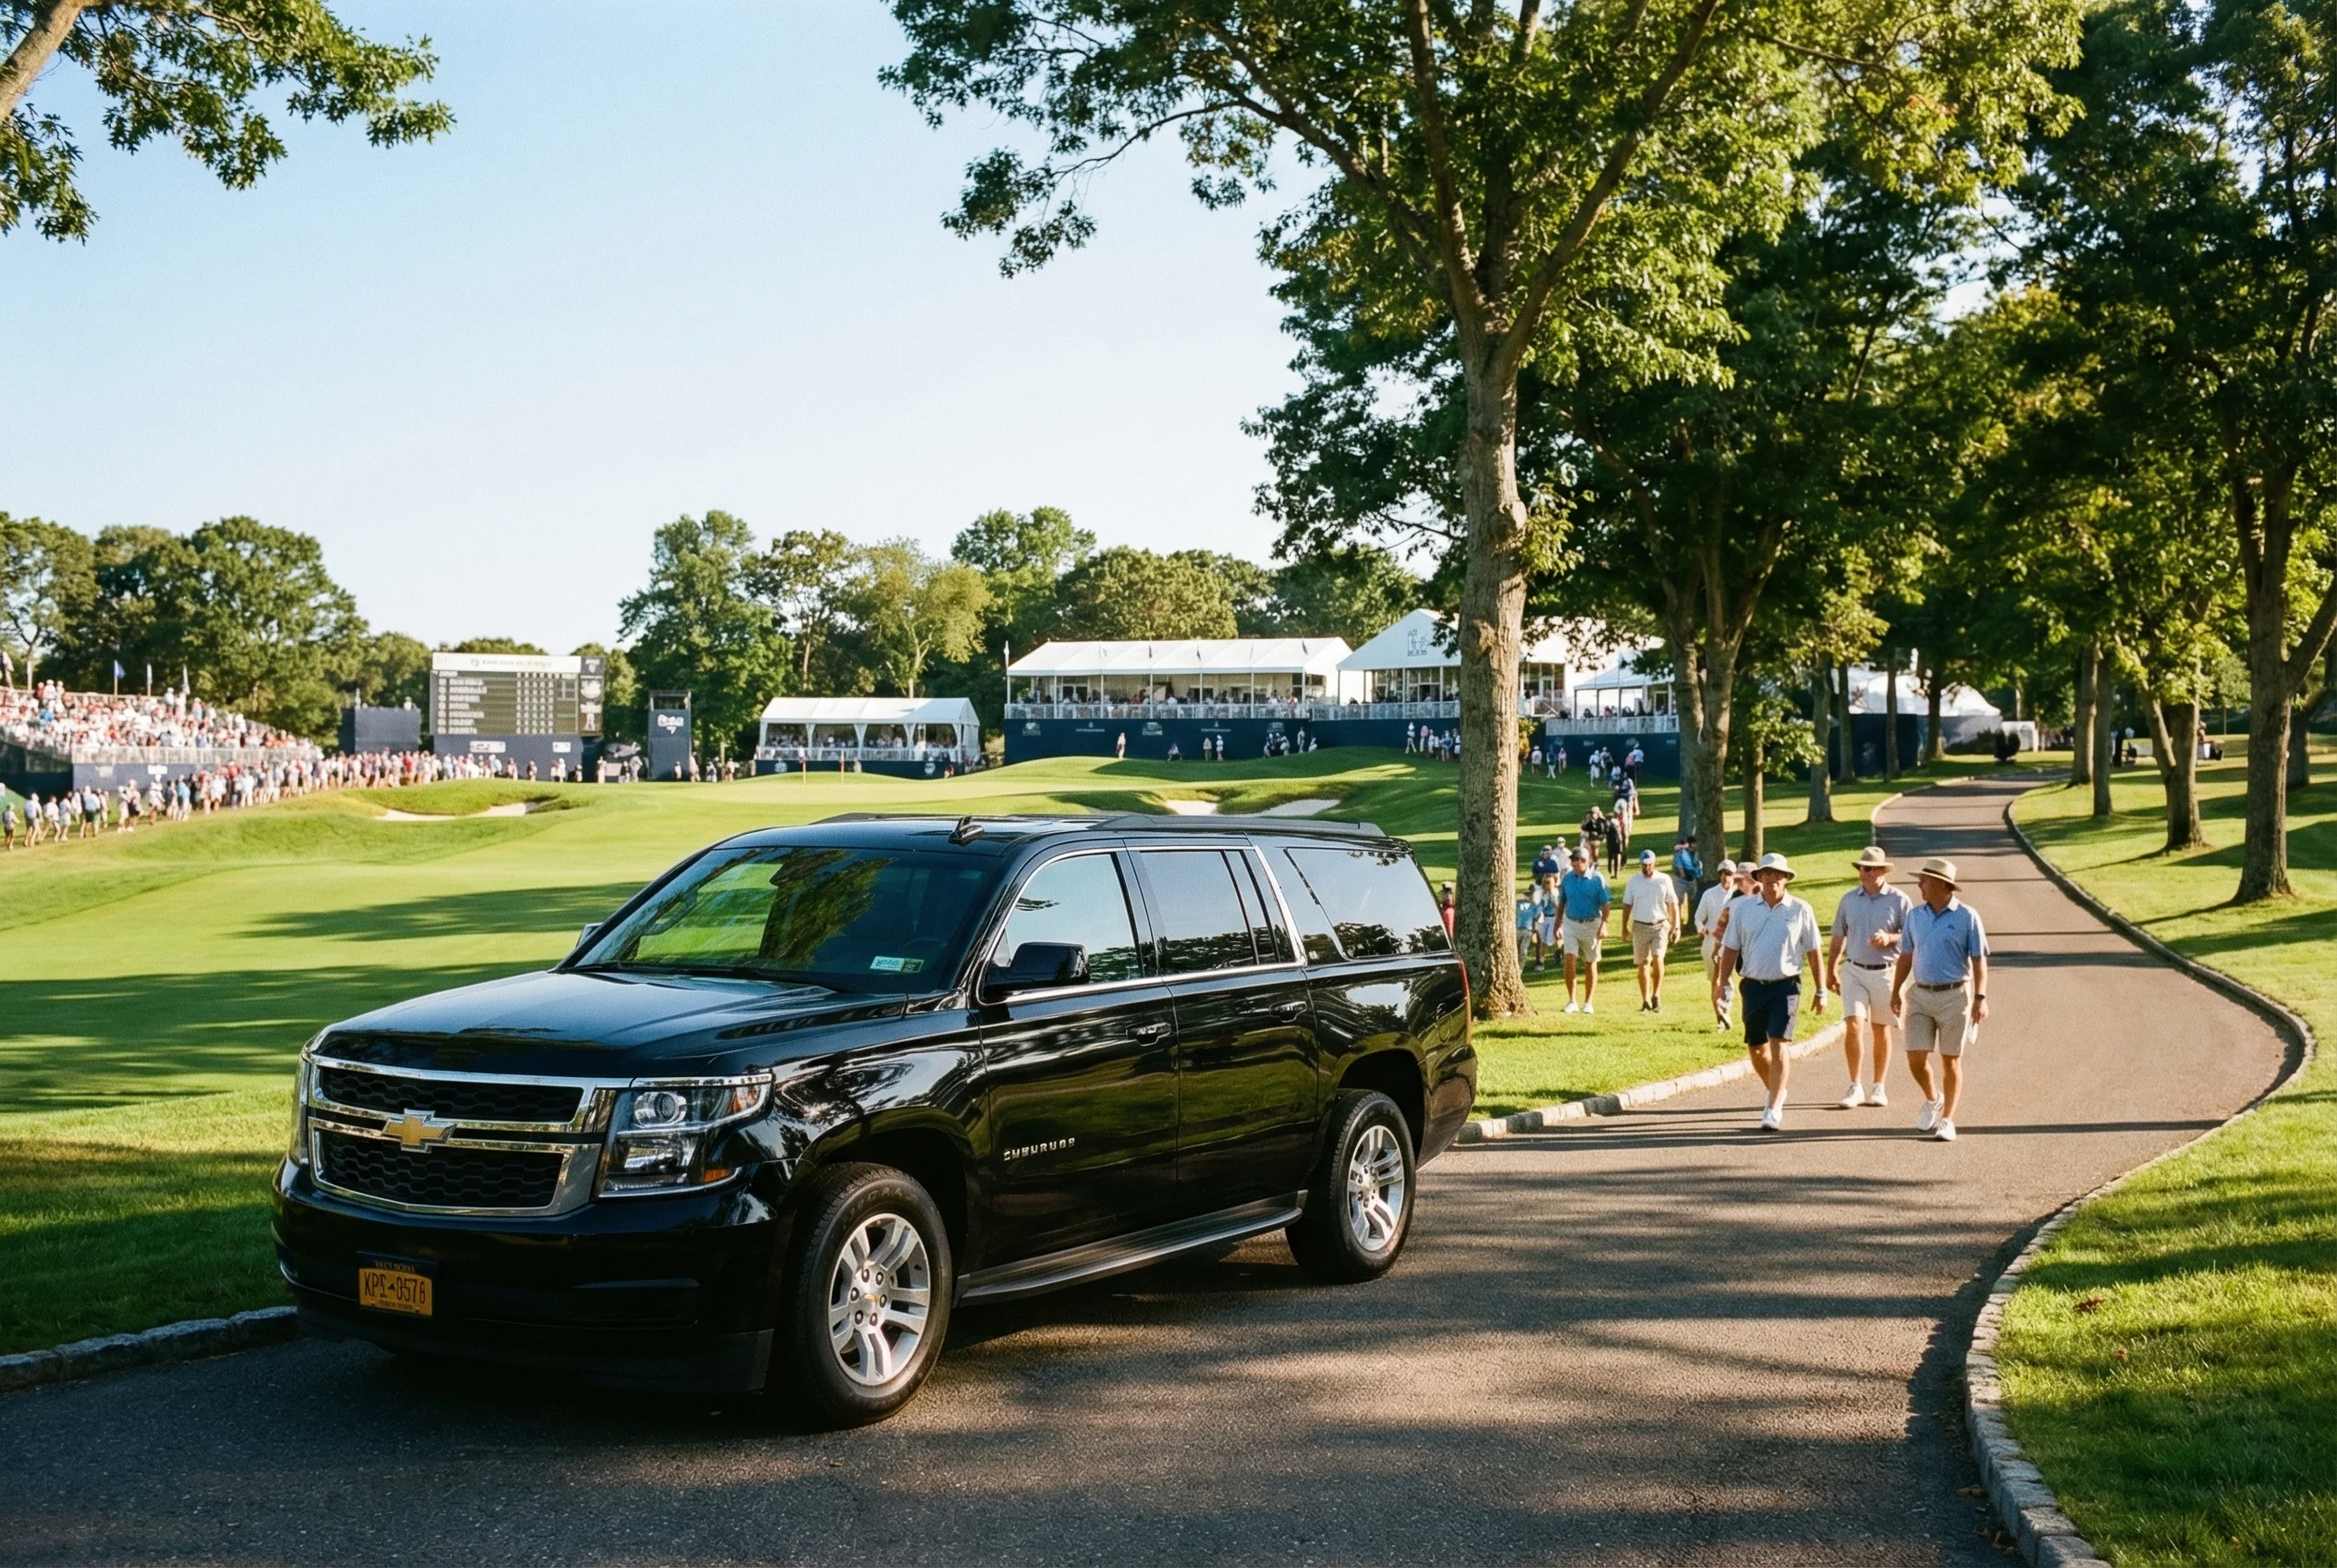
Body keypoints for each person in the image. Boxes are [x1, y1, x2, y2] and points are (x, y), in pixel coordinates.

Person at [1714, 852, 1828, 1131]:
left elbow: (1814, 952)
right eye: (1767, 873)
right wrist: (1721, 983)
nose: (1773, 878)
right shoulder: (1742, 909)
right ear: (1759, 877)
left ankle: (1774, 1106)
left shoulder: (1800, 909)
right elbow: (1731, 949)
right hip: (1753, 986)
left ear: (1786, 879)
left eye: (1779, 874)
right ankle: (1777, 1088)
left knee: (1779, 1044)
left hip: (1786, 986)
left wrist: (1821, 989)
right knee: (1756, 1050)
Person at [1891, 856, 1990, 1143]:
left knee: (1951, 1061)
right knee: (1915, 1058)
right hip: (1920, 994)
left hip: (1954, 996)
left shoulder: (1967, 917)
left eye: (1924, 880)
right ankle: (1933, 1097)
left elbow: (1978, 960)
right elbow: (1906, 956)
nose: (1919, 884)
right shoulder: (1915, 915)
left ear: (1941, 884)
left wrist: (1980, 997)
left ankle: (1947, 1119)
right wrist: (1896, 989)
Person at [1827, 846, 1912, 1109]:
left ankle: (1878, 1086)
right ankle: (1855, 1086)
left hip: (1886, 971)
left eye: (1870, 868)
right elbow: (1839, 936)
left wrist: (1889, 938)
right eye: (1862, 868)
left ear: (1882, 871)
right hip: (1854, 970)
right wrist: (1830, 969)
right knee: (1853, 1025)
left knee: (1880, 1029)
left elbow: (1911, 937)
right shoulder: (1849, 899)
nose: (1865, 872)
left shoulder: (1899, 900)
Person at [1621, 848, 1683, 1011]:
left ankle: (1656, 995)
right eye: (1644, 865)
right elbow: (1627, 905)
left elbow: (1672, 903)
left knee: (1658, 957)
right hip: (1640, 925)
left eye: (1649, 865)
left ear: (1654, 864)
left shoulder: (1664, 880)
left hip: (1660, 925)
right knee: (1643, 963)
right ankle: (1645, 1000)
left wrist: (1676, 926)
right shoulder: (1634, 881)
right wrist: (1624, 927)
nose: (1647, 868)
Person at [1555, 846, 1610, 1014]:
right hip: (1571, 922)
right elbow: (1562, 902)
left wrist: (1604, 924)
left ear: (1587, 862)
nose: (1576, 863)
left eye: (1580, 860)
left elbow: (1606, 904)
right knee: (1569, 960)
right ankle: (1572, 1000)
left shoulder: (1597, 879)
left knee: (1590, 963)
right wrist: (1558, 924)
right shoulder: (1568, 879)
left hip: (1591, 924)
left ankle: (1588, 1002)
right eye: (1574, 860)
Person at [1694, 859, 1740, 1032]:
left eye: (1729, 874)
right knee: (1716, 979)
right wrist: (1701, 928)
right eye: (1722, 874)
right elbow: (1698, 917)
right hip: (1712, 941)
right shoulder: (1709, 894)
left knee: (1726, 978)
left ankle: (1725, 1010)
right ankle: (1719, 1017)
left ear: (1734, 875)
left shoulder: (1739, 895)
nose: (1725, 877)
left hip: (1733, 943)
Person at [1603, 808, 1626, 877]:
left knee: (1610, 857)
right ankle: (1616, 873)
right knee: (1617, 857)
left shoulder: (1609, 823)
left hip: (1611, 842)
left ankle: (1610, 870)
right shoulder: (1617, 823)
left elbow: (1606, 831)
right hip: (1619, 841)